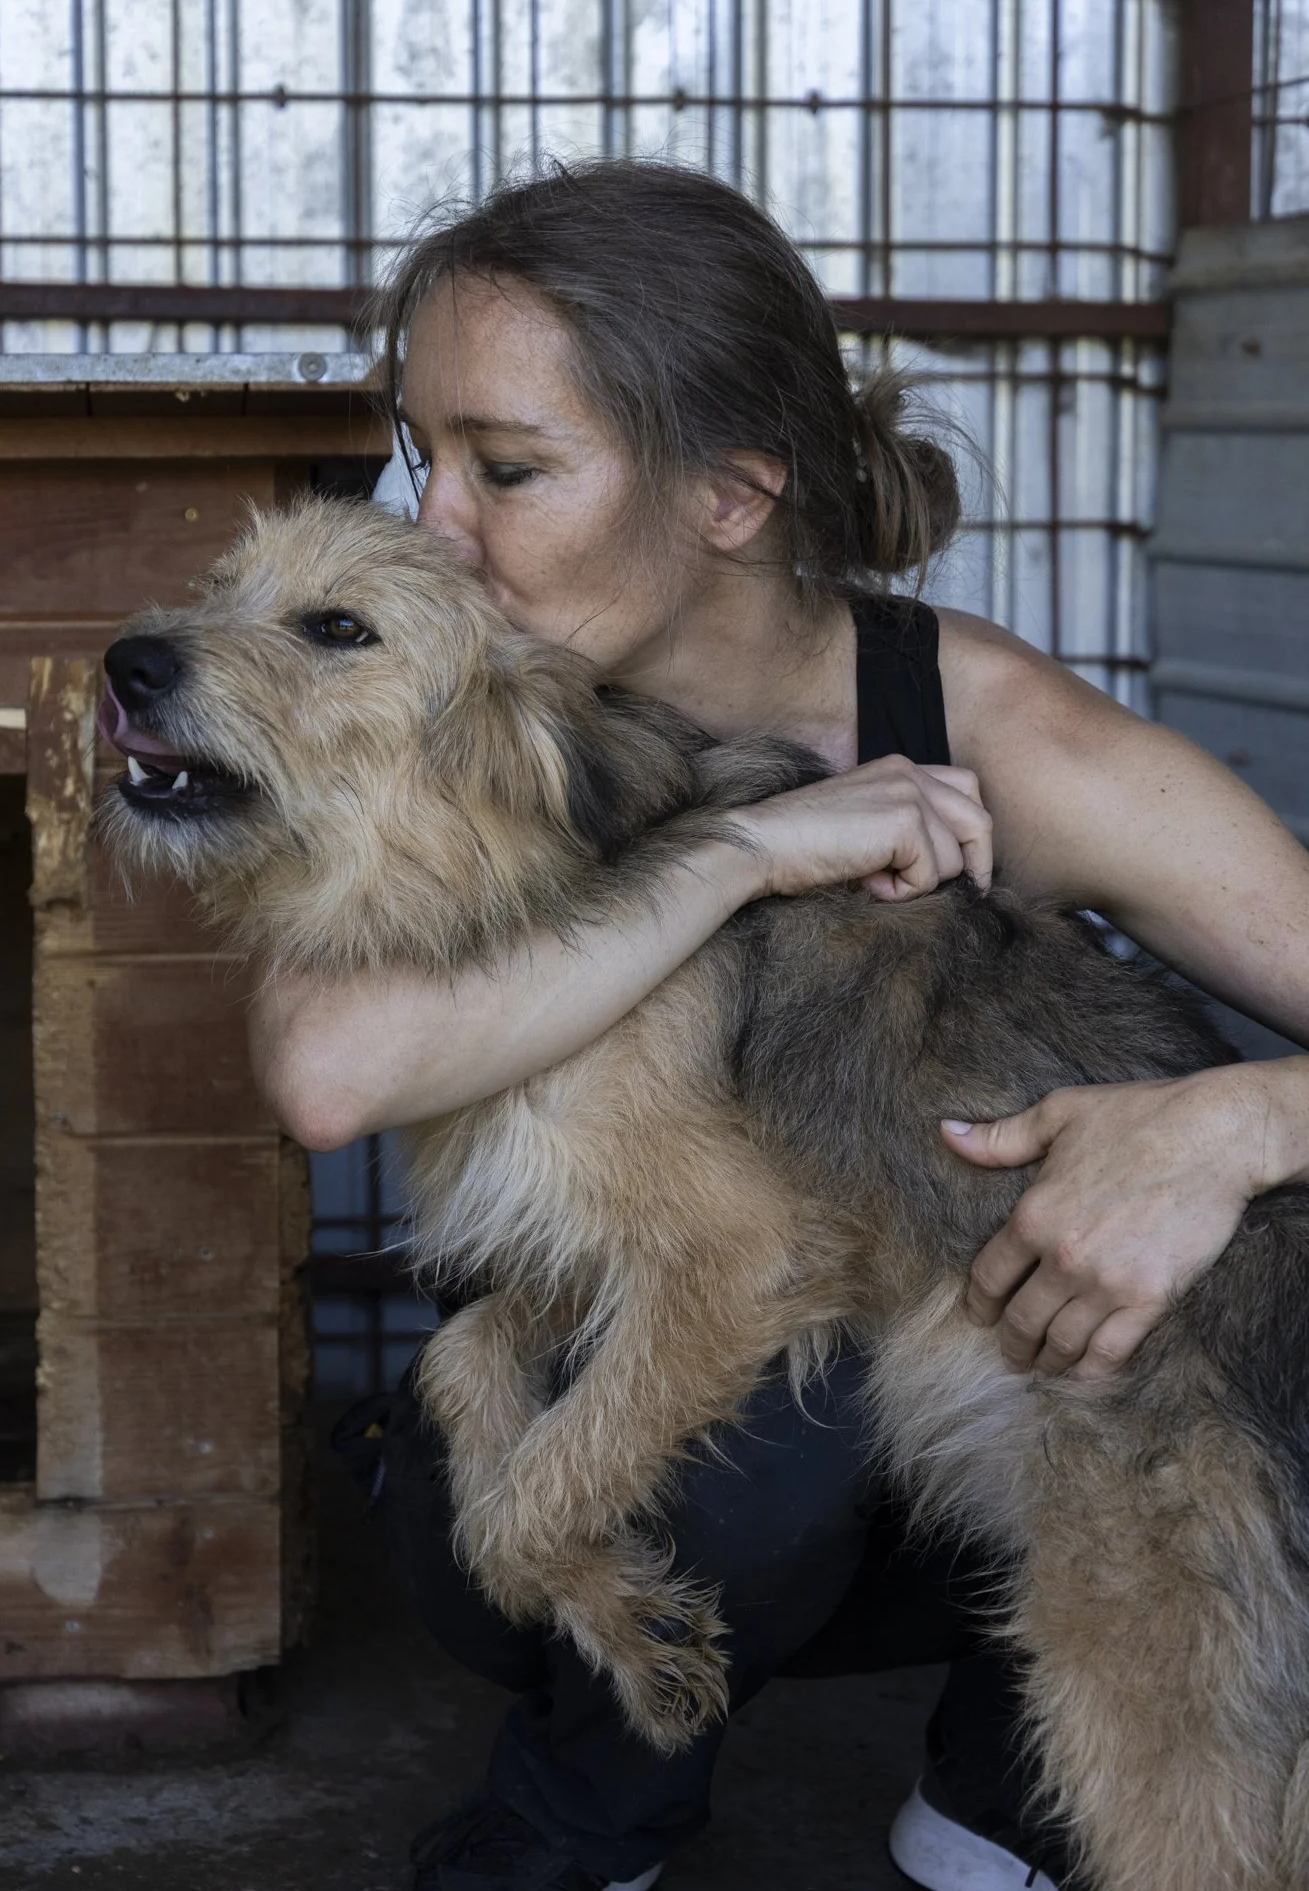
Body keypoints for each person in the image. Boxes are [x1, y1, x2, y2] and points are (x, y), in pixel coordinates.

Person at [250, 161, 1309, 1891]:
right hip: (643, 1450)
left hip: (1030, 1416)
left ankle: (1016, 1789)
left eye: (507, 469)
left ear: (730, 495)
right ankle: (592, 1813)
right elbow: (325, 1070)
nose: (432, 525)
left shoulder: (997, 729)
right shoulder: (440, 697)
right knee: (747, 1412)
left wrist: (1237, 1123)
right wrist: (745, 849)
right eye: (416, 451)